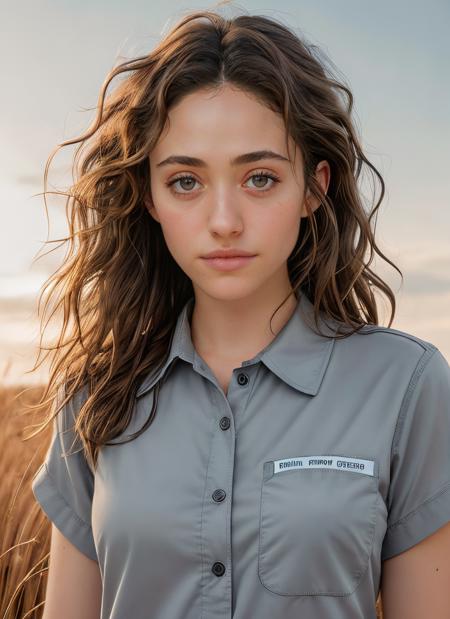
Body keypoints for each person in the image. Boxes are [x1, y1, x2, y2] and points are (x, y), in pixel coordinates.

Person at [29, 8, 450, 619]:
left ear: (314, 187)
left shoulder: (406, 387)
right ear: (148, 195)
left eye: (259, 178)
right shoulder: (96, 393)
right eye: (185, 182)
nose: (224, 221)